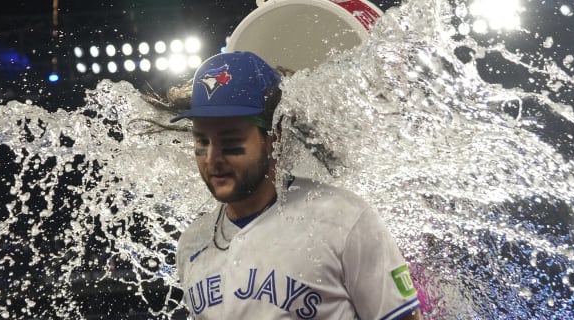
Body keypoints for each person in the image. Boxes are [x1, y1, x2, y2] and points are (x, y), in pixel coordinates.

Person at [172, 51, 423, 319]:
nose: (212, 158)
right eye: (202, 141)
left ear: (273, 138)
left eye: (230, 140)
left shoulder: (344, 219)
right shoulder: (192, 243)